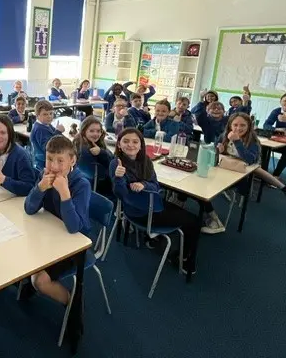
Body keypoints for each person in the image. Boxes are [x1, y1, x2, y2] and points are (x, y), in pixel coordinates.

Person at [109, 128, 200, 272]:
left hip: (151, 205)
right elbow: (121, 194)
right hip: (142, 213)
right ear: (119, 144)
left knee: (185, 215)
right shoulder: (116, 163)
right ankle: (185, 261)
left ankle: (160, 242)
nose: (130, 145)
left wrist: (143, 184)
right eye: (125, 141)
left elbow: (155, 185)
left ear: (141, 145)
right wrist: (119, 178)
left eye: (135, 142)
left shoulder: (145, 160)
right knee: (194, 221)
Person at [23, 135, 91, 304]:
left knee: (39, 281)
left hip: (75, 245)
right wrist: (40, 188)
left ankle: (72, 303)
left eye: (60, 161)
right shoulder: (44, 175)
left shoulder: (82, 184)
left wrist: (64, 193)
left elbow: (74, 227)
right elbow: (29, 209)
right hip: (51, 235)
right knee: (20, 253)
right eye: (49, 159)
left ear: (72, 160)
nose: (53, 166)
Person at [217, 112, 286, 205]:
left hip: (247, 164)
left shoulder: (252, 140)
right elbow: (218, 149)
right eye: (235, 125)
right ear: (230, 126)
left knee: (256, 170)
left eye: (243, 125)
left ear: (249, 126)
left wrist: (237, 142)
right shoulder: (224, 136)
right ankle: (227, 189)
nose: (238, 128)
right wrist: (219, 149)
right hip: (228, 163)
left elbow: (250, 160)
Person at [74, 116, 114, 195]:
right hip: (99, 189)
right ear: (84, 131)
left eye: (98, 131)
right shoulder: (84, 150)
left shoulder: (89, 143)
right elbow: (110, 168)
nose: (96, 134)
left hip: (90, 186)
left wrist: (101, 152)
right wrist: (102, 153)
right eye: (91, 131)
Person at [30, 100, 65, 170]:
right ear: (37, 116)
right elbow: (48, 147)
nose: (49, 116)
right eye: (45, 114)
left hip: (47, 160)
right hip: (43, 163)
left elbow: (52, 135)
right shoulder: (40, 129)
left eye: (51, 113)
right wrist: (58, 131)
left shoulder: (46, 124)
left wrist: (57, 131)